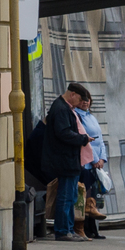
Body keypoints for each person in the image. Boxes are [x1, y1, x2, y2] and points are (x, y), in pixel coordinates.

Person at [39, 83, 92, 241]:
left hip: (68, 159)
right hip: (65, 160)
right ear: (73, 95)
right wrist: (83, 139)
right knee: (66, 196)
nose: (80, 103)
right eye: (80, 99)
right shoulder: (61, 109)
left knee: (71, 196)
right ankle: (63, 230)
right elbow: (63, 133)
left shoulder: (64, 107)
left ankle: (68, 229)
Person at [74, 89, 109, 240]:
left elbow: (99, 140)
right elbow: (86, 140)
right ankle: (83, 229)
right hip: (86, 164)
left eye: (87, 99)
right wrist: (95, 160)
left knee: (93, 199)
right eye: (82, 99)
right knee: (84, 199)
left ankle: (93, 230)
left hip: (95, 164)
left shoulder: (91, 117)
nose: (85, 101)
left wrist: (102, 158)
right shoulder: (77, 116)